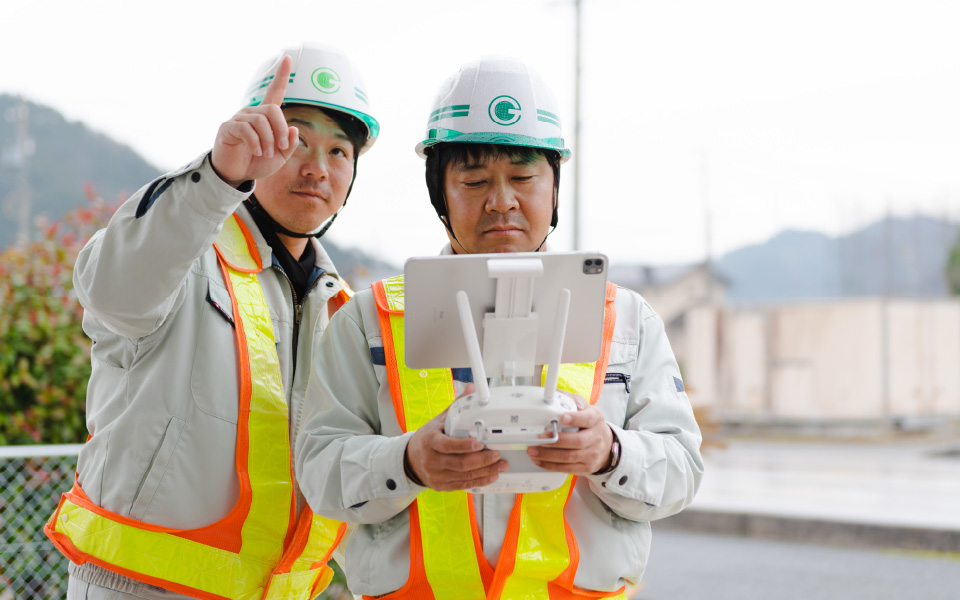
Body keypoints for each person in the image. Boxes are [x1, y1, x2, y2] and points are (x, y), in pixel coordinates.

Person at [295, 57, 704, 599]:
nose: (501, 201)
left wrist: (611, 454)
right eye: (474, 179)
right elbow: (319, 471)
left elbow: (681, 469)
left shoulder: (626, 319)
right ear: (439, 191)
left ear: (554, 185)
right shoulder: (368, 322)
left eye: (523, 176)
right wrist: (409, 461)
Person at [44, 42, 378, 600]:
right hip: (138, 589)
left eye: (340, 152)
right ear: (256, 137)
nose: (318, 167)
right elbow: (114, 291)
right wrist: (220, 177)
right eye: (295, 139)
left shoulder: (344, 310)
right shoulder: (183, 248)